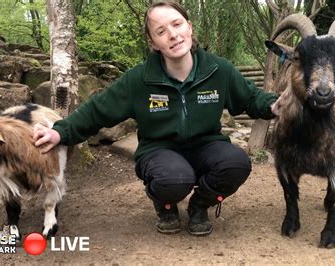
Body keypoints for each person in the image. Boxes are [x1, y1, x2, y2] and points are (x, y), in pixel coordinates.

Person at [33, 1, 277, 236]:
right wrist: (61, 131)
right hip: (159, 151)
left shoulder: (218, 70)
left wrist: (278, 106)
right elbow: (97, 111)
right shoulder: (139, 79)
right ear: (153, 42)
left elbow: (252, 99)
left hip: (207, 146)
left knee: (236, 163)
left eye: (177, 24)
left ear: (189, 27)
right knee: (174, 179)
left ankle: (200, 206)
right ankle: (166, 206)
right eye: (161, 31)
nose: (173, 34)